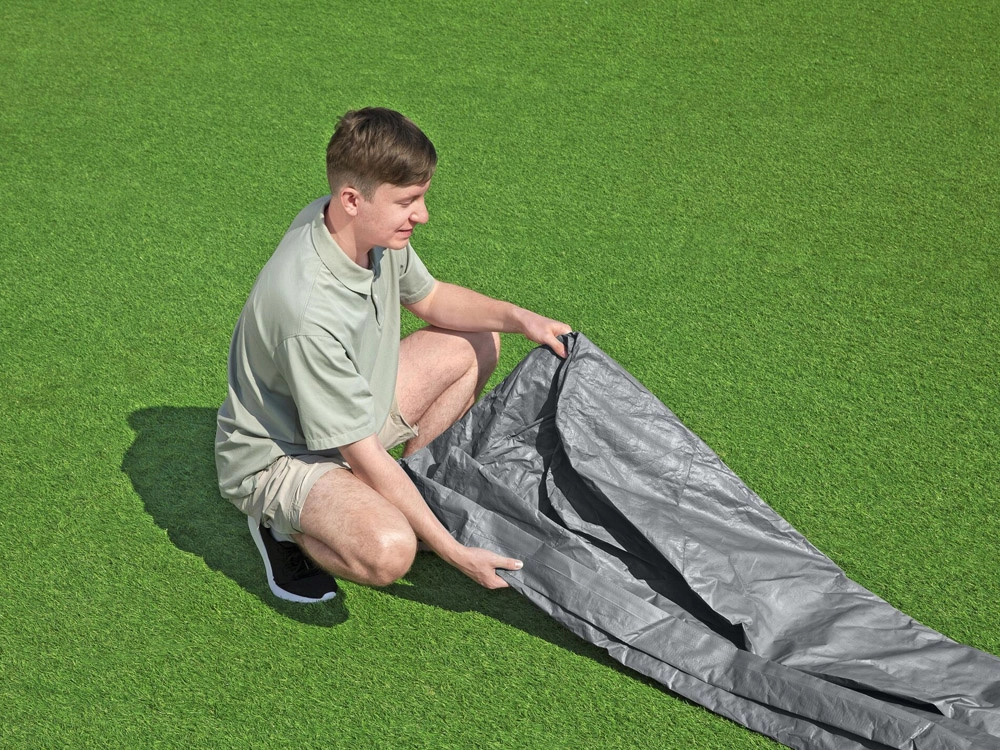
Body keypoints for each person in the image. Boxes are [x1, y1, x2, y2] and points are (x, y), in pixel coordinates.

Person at [215, 107, 571, 603]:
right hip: (282, 456)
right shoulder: (306, 314)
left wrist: (519, 318)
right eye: (408, 201)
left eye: (421, 197)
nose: (422, 215)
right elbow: (361, 453)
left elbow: (431, 299)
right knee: (390, 550)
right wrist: (455, 551)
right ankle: (280, 525)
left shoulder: (360, 229)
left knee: (479, 339)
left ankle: (416, 488)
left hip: (352, 405)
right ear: (352, 199)